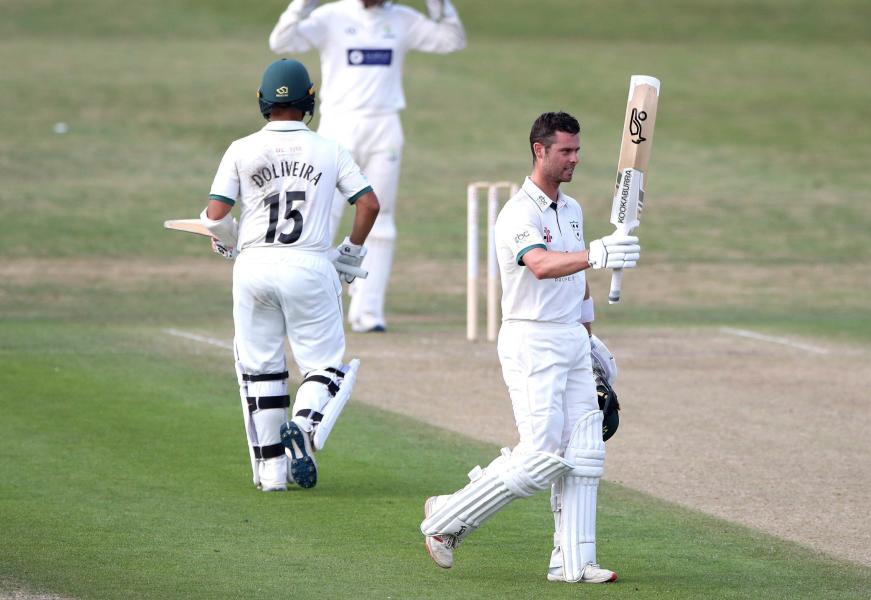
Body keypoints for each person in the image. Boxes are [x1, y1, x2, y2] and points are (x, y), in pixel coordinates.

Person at [419, 112, 641, 583]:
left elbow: (577, 280)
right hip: (531, 338)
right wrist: (598, 253)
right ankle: (445, 518)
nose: (574, 159)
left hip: (569, 338)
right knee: (540, 455)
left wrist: (590, 337)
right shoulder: (518, 212)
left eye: (578, 150)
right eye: (566, 151)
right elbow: (540, 265)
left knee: (585, 451)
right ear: (539, 150)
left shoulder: (574, 210)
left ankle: (574, 563)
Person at [201, 58, 380, 492]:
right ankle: (302, 424)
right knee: (325, 366)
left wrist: (224, 239)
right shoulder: (330, 149)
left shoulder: (241, 148)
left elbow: (215, 215)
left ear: (262, 101)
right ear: (309, 101)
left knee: (261, 369)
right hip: (309, 263)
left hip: (253, 265)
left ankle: (271, 475)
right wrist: (351, 252)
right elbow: (369, 203)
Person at [268, 0, 467, 333]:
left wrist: (439, 4)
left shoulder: (402, 19)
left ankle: (368, 311)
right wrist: (303, 4)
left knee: (382, 216)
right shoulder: (331, 15)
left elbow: (452, 40)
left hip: (384, 125)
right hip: (337, 125)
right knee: (321, 211)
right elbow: (282, 42)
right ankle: (306, 302)